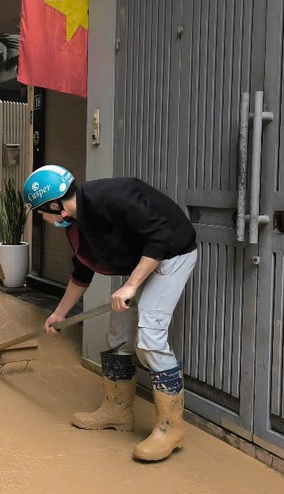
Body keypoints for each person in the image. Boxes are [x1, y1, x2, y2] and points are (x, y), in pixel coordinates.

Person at [23, 165, 197, 463]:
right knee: (119, 335)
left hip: (172, 254)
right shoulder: (76, 224)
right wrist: (59, 314)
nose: (43, 218)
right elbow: (82, 270)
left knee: (150, 340)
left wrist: (130, 286)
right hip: (142, 261)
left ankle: (172, 429)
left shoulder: (114, 196)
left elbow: (160, 236)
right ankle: (117, 411)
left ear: (55, 205)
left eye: (41, 212)